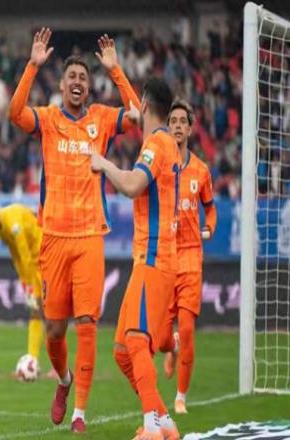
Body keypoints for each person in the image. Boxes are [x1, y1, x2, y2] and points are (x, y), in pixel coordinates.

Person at [9, 28, 140, 433]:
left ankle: (80, 412)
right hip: (53, 237)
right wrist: (32, 66)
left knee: (87, 323)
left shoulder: (102, 118)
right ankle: (64, 381)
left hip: (89, 237)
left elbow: (137, 115)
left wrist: (116, 71)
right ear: (63, 85)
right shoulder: (48, 119)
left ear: (88, 86)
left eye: (83, 77)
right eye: (72, 77)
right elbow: (15, 114)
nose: (78, 82)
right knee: (54, 331)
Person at [89, 77, 181, 440]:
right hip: (151, 258)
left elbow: (131, 186)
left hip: (155, 257)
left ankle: (151, 427)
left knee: (137, 341)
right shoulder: (162, 142)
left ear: (144, 105)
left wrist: (104, 163)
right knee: (122, 351)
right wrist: (116, 72)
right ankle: (164, 421)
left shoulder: (157, 144)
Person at [160, 99, 217, 414]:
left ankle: (180, 397)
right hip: (165, 255)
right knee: (160, 335)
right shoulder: (160, 167)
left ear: (190, 129)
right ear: (167, 127)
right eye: (173, 121)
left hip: (191, 257)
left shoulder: (201, 170)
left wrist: (209, 228)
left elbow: (210, 209)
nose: (178, 126)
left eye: (183, 121)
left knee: (187, 326)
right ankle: (170, 346)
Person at [0, 195, 46, 377]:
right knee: (35, 312)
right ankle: (32, 361)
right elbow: (17, 258)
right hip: (34, 267)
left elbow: (25, 255)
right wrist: (25, 284)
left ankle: (59, 366)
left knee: (53, 315)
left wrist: (30, 286)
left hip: (46, 261)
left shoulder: (13, 223)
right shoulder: (2, 230)